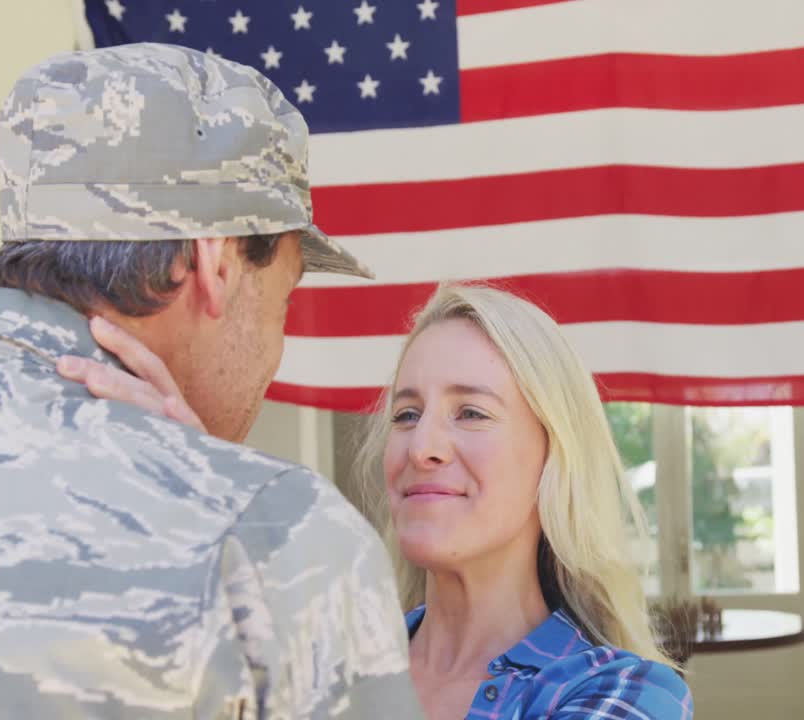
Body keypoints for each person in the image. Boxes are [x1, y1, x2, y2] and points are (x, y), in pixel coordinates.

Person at [0, 44, 422, 719]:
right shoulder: (274, 534)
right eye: (284, 295)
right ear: (214, 263)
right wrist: (205, 490)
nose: (278, 341)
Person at [75, 284, 696, 719]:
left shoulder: (629, 693)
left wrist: (228, 497)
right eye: (406, 414)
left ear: (553, 457)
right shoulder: (309, 667)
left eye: (471, 412)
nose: (422, 447)